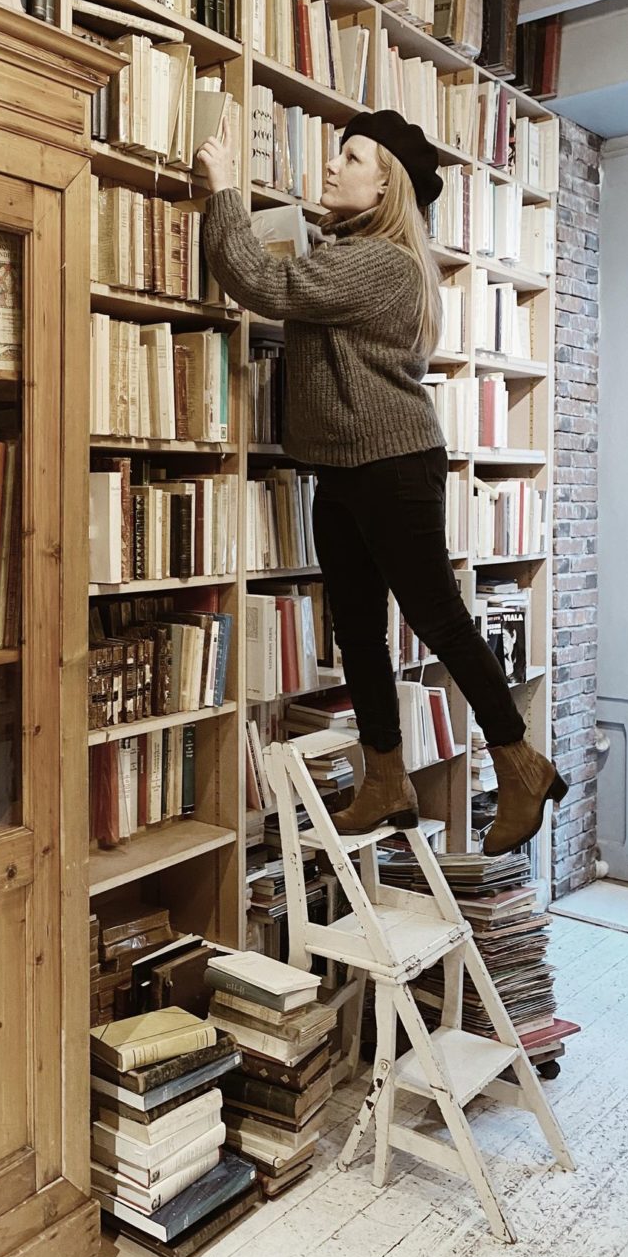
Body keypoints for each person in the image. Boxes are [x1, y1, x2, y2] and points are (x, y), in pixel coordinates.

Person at [196, 109, 566, 855]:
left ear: (384, 183)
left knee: (436, 615)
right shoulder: (349, 251)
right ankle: (385, 777)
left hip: (390, 464)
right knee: (358, 629)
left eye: (351, 155)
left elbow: (262, 280)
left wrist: (224, 191)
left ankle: (520, 762)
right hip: (342, 465)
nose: (332, 165)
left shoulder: (384, 262)